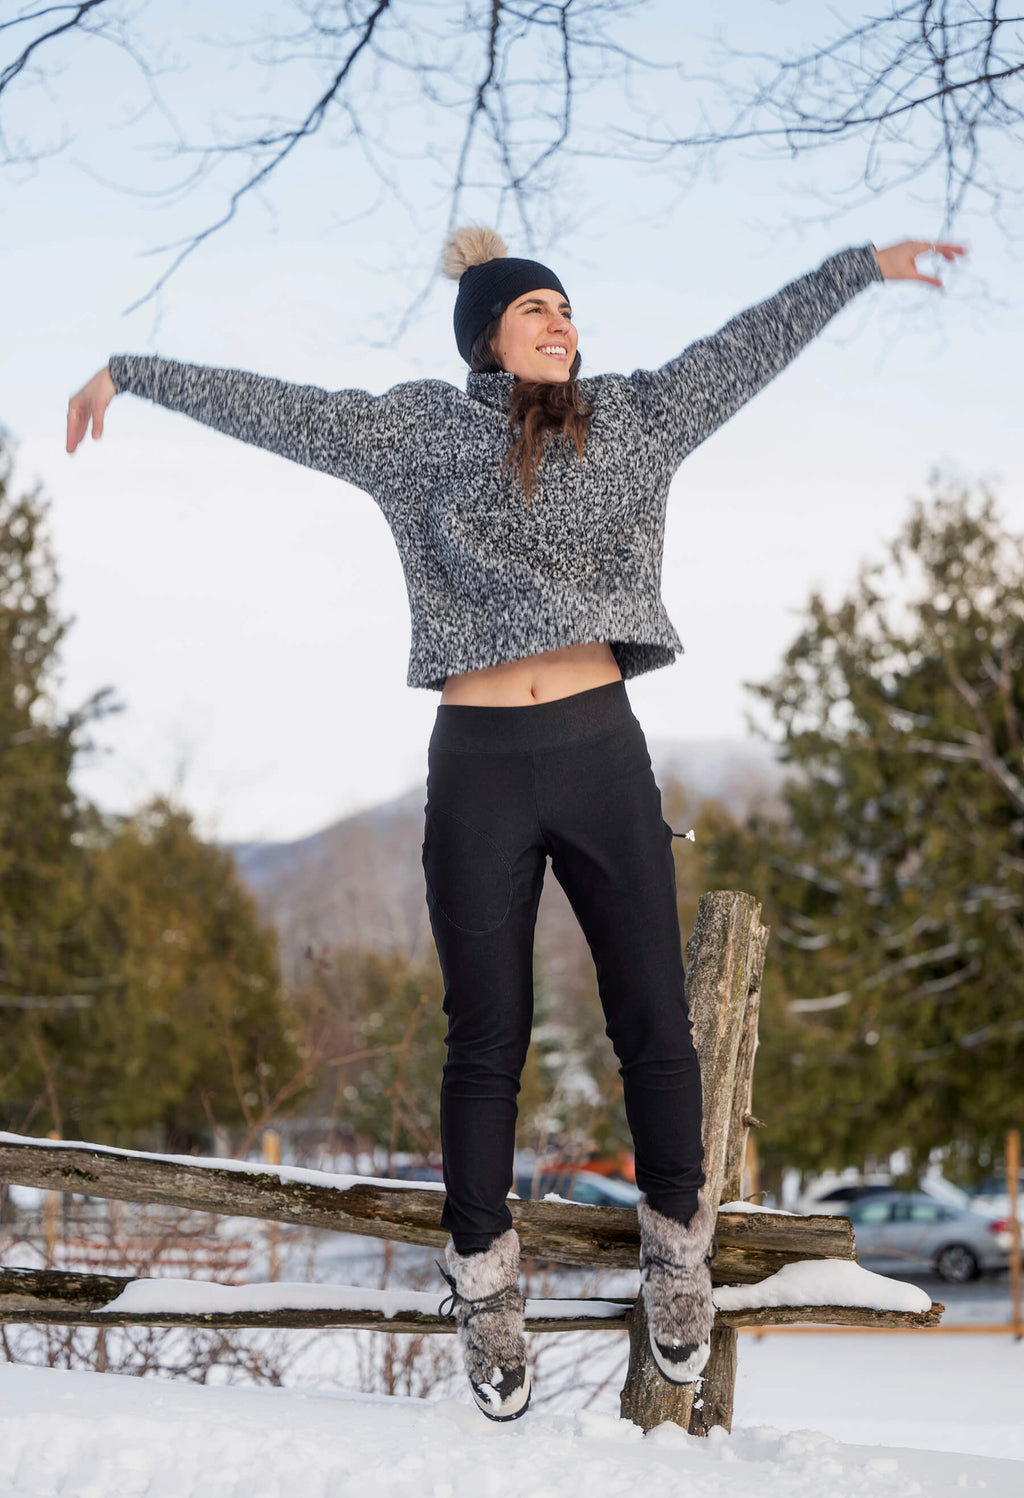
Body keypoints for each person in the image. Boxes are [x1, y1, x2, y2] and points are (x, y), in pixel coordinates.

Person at [66, 227, 965, 1422]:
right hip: (479, 762)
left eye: (568, 308)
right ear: (485, 333)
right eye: (534, 307)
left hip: (600, 750)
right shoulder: (416, 433)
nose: (561, 321)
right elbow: (280, 408)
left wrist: (858, 266)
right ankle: (484, 1283)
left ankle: (675, 1251)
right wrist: (132, 371)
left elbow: (748, 345)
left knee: (651, 1008)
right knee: (485, 1029)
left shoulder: (632, 417)